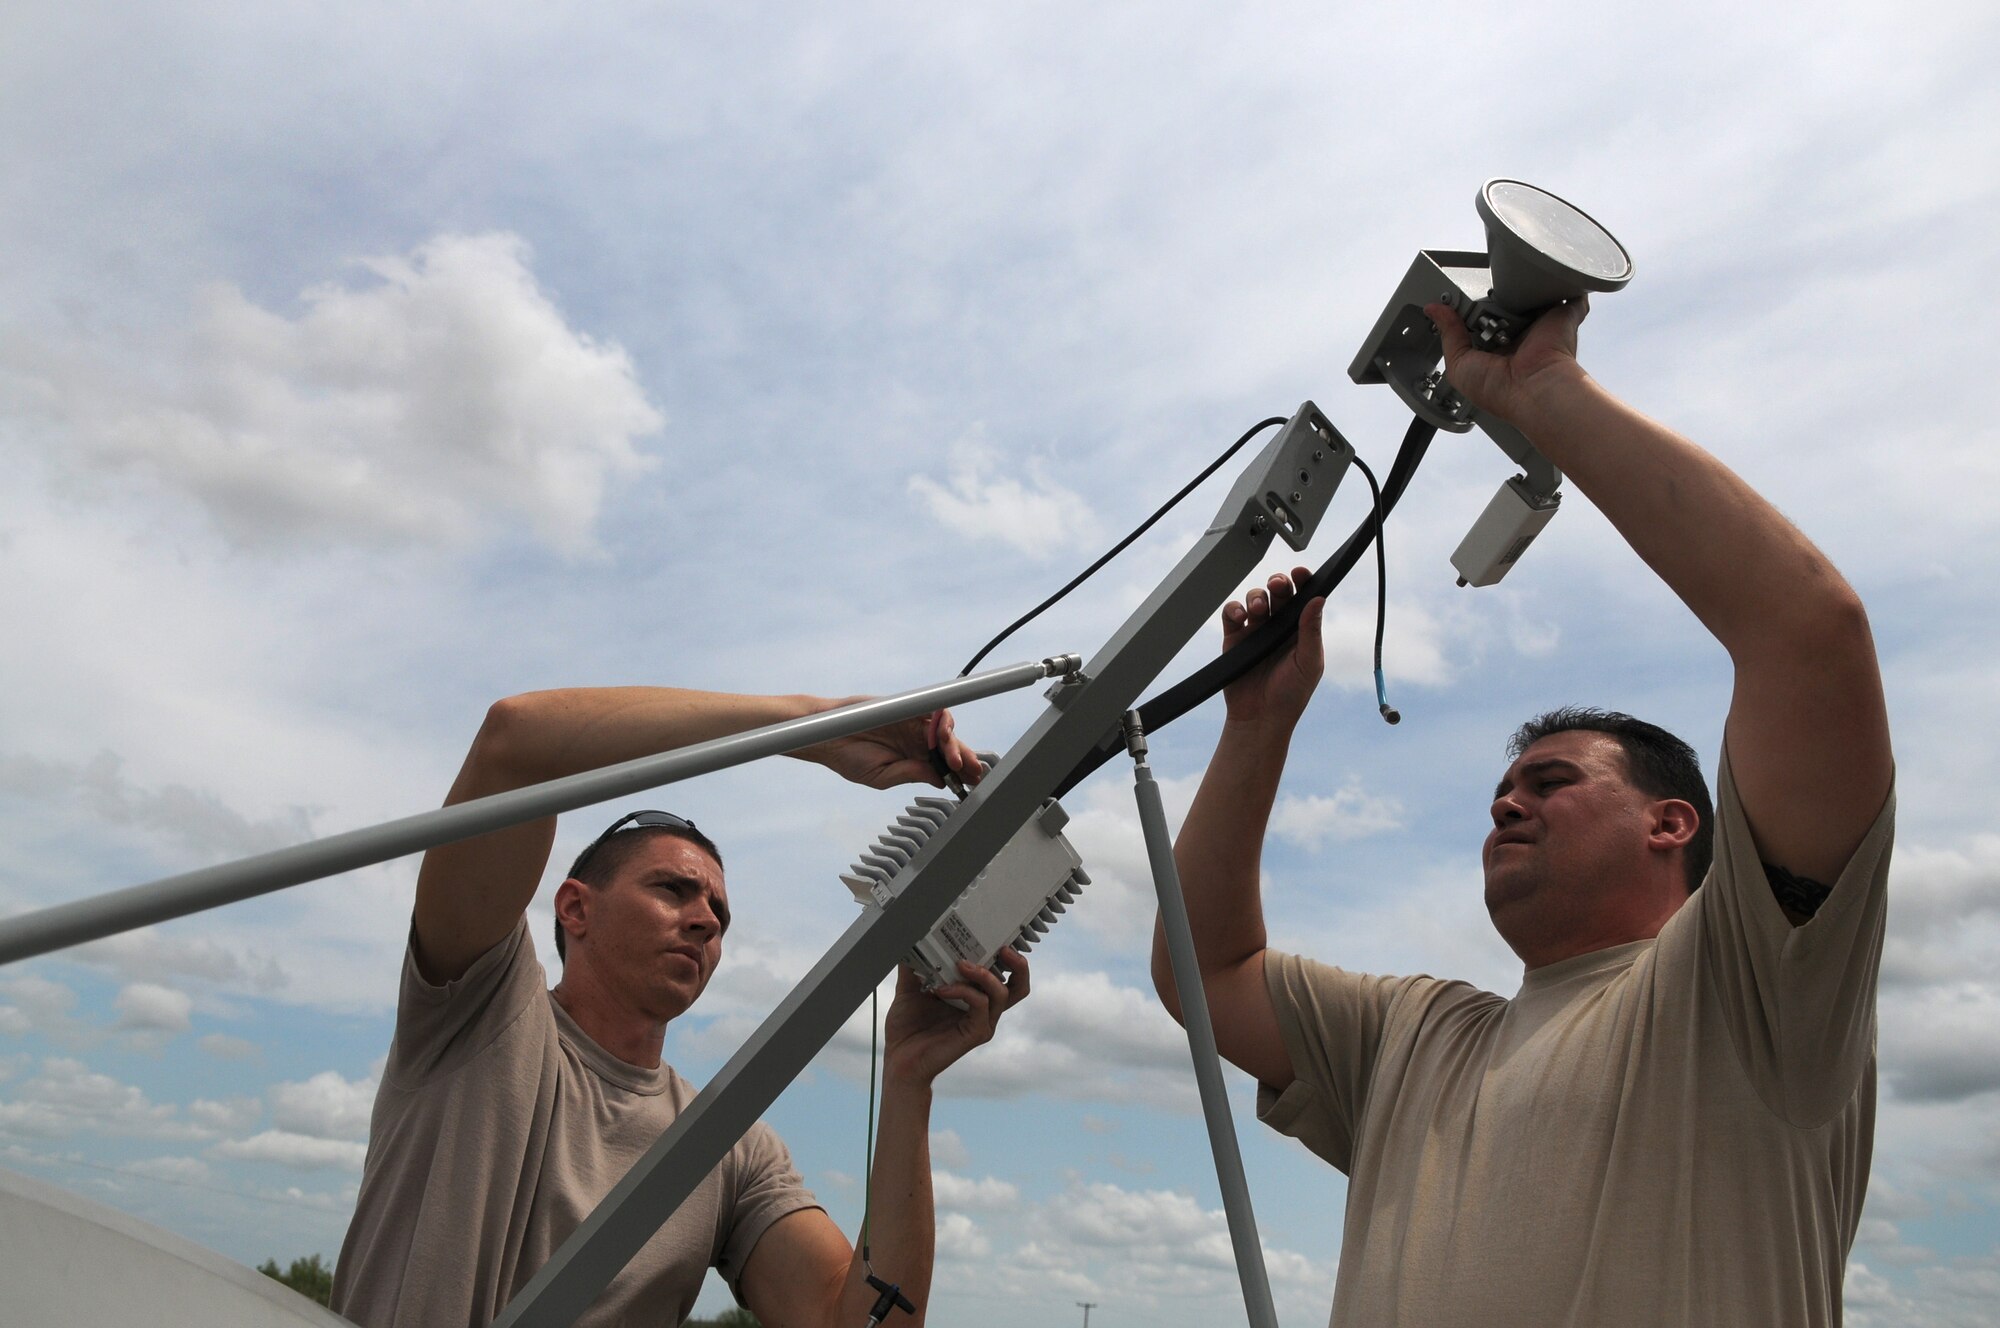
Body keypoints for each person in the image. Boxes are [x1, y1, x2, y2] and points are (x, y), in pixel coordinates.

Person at [1157, 296, 1894, 1327]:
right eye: (1503, 788)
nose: (1507, 800)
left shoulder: (1750, 985)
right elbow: (1204, 973)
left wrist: (1542, 393)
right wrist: (1255, 725)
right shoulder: (1413, 1037)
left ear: (1671, 823)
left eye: (1551, 783)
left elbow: (1808, 631)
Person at [332, 686, 1026, 1327]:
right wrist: (814, 726)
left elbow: (867, 1325)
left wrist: (909, 1078)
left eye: (719, 912)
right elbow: (519, 742)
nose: (705, 921)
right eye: (673, 890)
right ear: (575, 907)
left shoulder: (725, 1148)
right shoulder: (477, 1006)